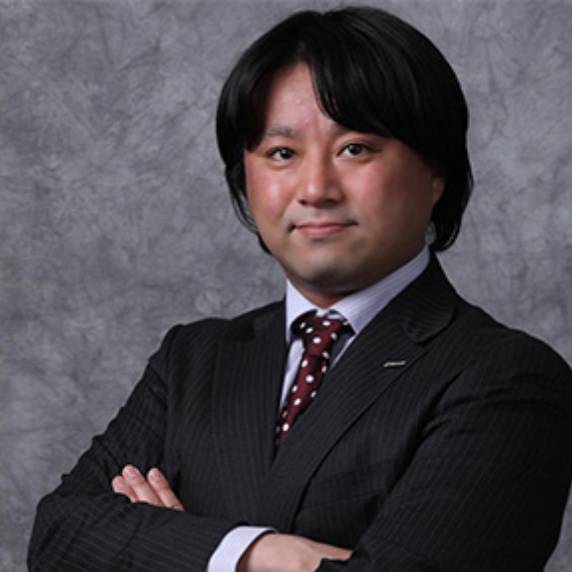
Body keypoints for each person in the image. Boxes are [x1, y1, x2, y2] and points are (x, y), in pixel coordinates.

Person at [28, 6, 572, 572]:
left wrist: (168, 544)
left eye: (355, 148)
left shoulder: (505, 378)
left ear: (435, 172)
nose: (315, 188)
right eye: (282, 154)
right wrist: (266, 553)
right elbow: (57, 537)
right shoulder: (192, 360)